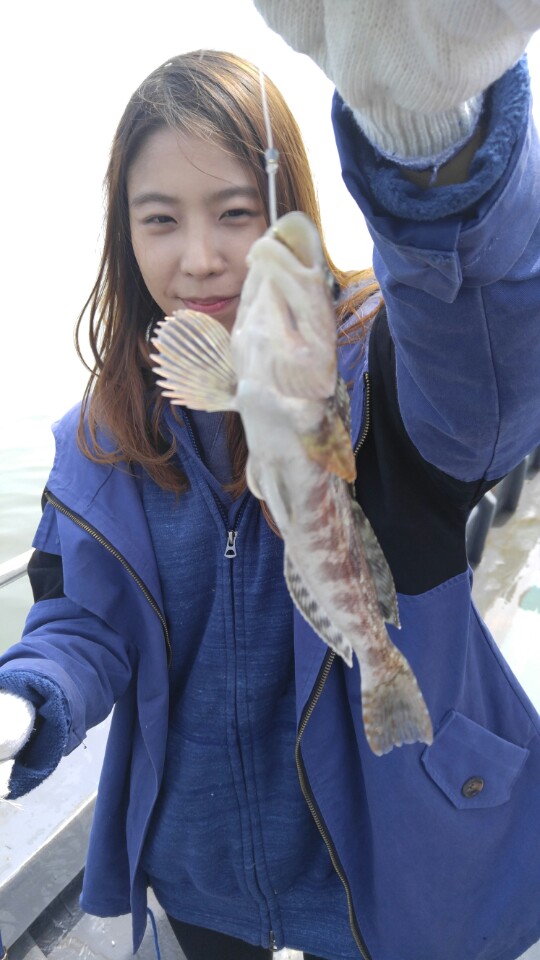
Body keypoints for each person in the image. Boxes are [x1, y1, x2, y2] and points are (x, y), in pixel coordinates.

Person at [1, 2, 540, 958]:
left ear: (290, 206)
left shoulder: (389, 371)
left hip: (374, 864)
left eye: (237, 213)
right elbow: (82, 620)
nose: (201, 257)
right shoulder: (99, 442)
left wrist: (435, 155)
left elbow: (484, 348)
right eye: (159, 220)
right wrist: (29, 695)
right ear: (124, 235)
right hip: (198, 867)